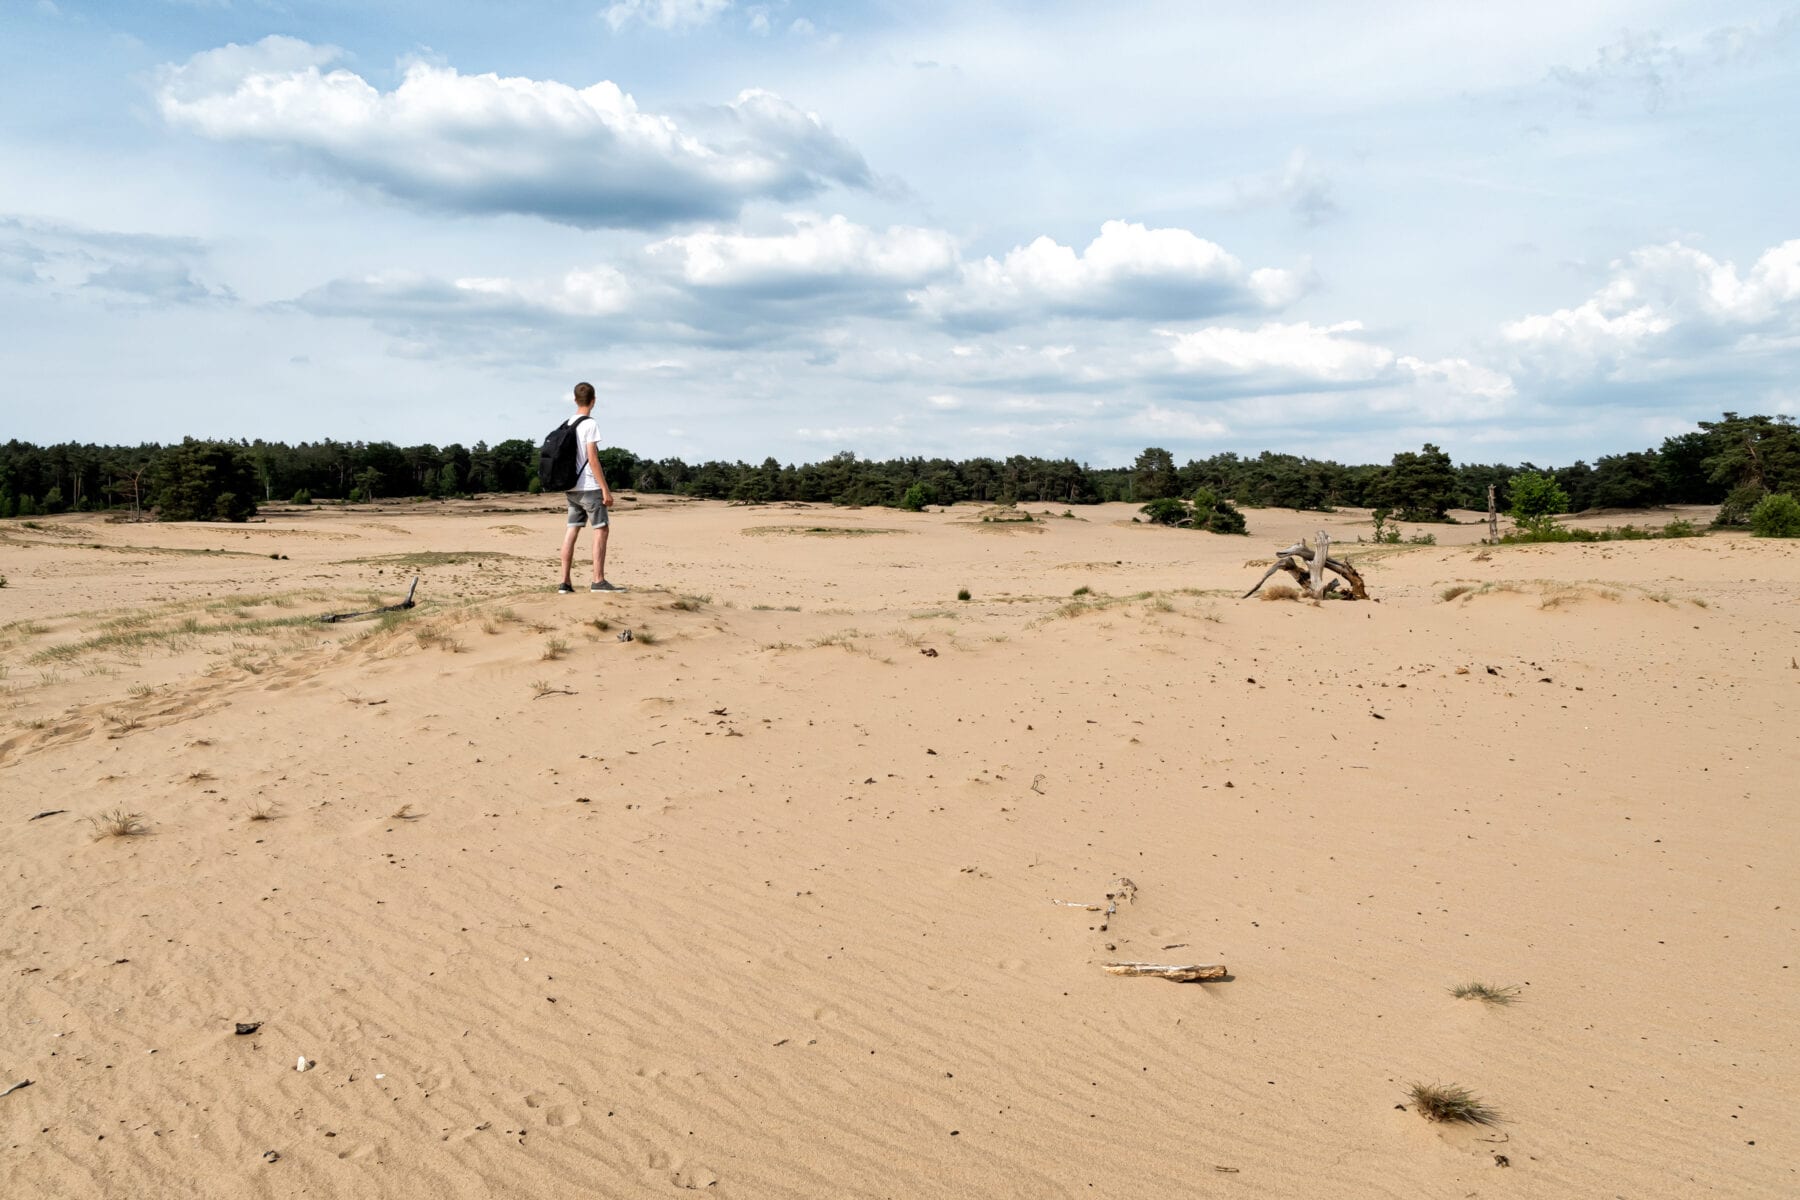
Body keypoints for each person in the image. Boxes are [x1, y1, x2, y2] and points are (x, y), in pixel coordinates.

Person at [557, 382, 621, 593]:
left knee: (572, 530)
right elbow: (593, 459)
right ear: (594, 400)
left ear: (575, 400)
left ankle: (565, 582)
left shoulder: (567, 423)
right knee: (601, 529)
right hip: (589, 487)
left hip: (571, 488)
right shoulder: (590, 424)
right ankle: (598, 580)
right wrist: (605, 489)